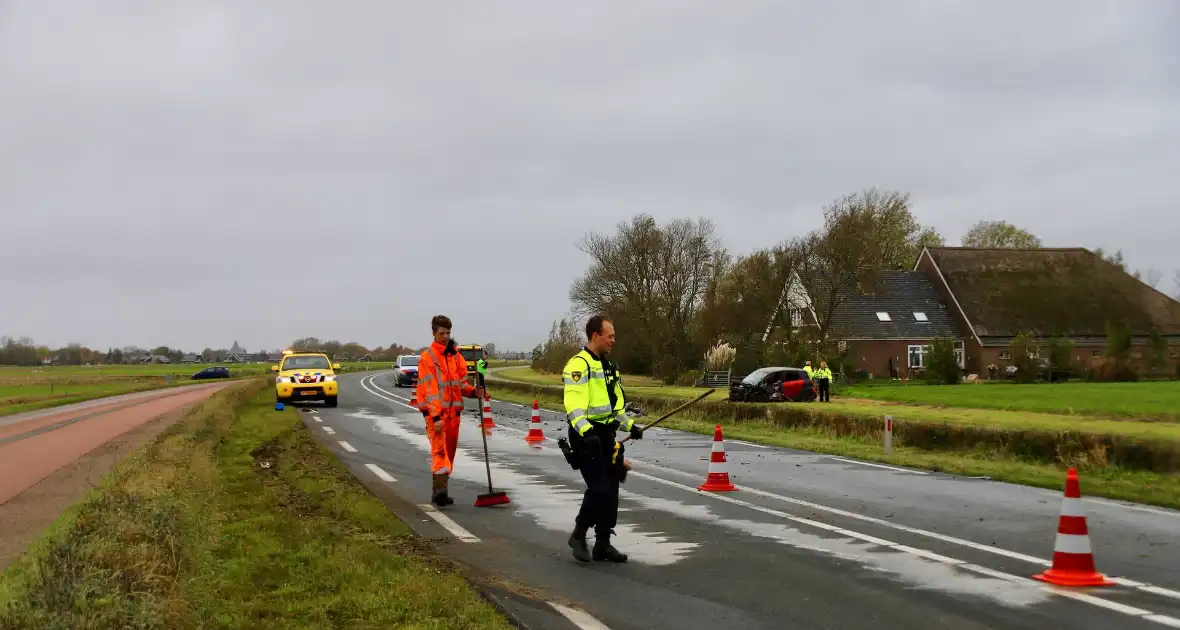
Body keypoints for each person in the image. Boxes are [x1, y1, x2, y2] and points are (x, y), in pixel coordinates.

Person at [563, 315, 642, 564]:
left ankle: (603, 543)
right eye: (610, 336)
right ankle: (578, 534)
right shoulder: (578, 365)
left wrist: (631, 426)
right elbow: (574, 406)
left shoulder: (609, 367)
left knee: (612, 489)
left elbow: (615, 408)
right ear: (595, 335)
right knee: (599, 488)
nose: (613, 340)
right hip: (586, 437)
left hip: (607, 436)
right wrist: (586, 432)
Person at [417, 314, 480, 507]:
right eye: (442, 333)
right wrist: (436, 417)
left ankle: (440, 490)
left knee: (449, 454)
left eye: (448, 332)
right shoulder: (427, 358)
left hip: (454, 416)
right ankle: (441, 492)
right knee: (440, 452)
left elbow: (460, 384)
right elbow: (430, 391)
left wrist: (472, 392)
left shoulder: (455, 356)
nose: (445, 336)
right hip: (436, 416)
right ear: (434, 333)